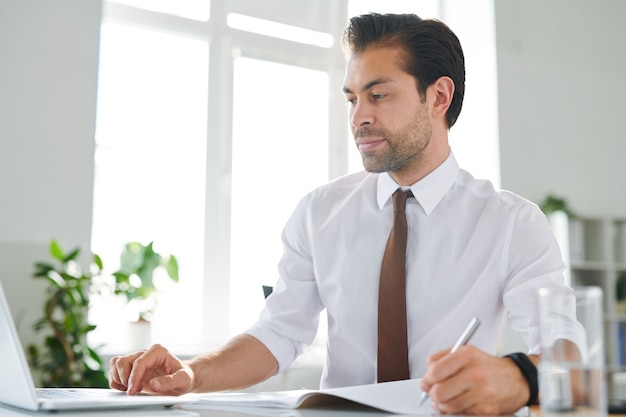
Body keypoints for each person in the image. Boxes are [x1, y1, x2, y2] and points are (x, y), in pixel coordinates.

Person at [109, 13, 579, 415]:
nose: (358, 118)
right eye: (352, 98)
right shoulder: (320, 211)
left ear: (438, 97)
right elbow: (278, 332)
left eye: (378, 95)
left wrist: (518, 379)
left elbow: (568, 356)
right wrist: (191, 373)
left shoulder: (512, 224)